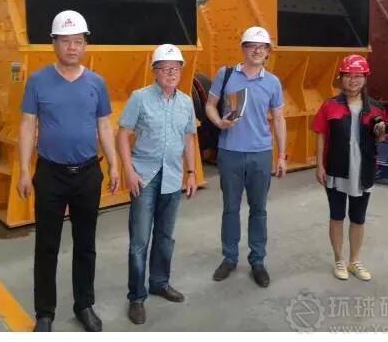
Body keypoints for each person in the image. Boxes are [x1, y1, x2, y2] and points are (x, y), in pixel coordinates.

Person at [17, 9, 119, 332]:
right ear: (54, 44)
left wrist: (114, 163)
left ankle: (84, 304)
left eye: (78, 41)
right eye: (65, 41)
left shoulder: (96, 83)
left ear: (85, 44)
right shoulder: (38, 81)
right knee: (46, 246)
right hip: (50, 175)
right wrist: (24, 171)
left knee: (85, 244)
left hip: (87, 174)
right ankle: (44, 312)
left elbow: (104, 125)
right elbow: (27, 125)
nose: (72, 47)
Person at [116, 44, 198, 325]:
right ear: (154, 72)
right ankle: (136, 297)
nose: (171, 73)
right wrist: (128, 170)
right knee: (139, 241)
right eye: (165, 68)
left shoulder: (185, 102)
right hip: (144, 177)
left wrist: (191, 172)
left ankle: (160, 283)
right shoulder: (139, 98)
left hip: (173, 177)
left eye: (175, 68)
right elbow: (123, 134)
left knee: (165, 236)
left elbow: (189, 138)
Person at [204, 26, 287, 288]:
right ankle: (229, 258)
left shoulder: (272, 82)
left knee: (258, 209)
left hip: (260, 153)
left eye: (262, 47)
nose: (257, 51)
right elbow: (209, 105)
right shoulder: (226, 74)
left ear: (268, 51)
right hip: (230, 152)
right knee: (230, 208)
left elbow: (279, 119)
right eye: (252, 46)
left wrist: (282, 155)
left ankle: (257, 261)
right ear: (243, 48)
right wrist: (219, 122)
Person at [311, 54, 387, 282]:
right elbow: (320, 135)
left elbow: (380, 139)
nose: (353, 80)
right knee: (336, 216)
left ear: (365, 78)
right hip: (336, 168)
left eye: (358, 76)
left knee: (358, 217)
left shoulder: (376, 108)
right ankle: (339, 260)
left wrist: (380, 133)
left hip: (364, 170)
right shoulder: (330, 106)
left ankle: (354, 260)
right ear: (341, 78)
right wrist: (320, 166)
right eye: (348, 76)